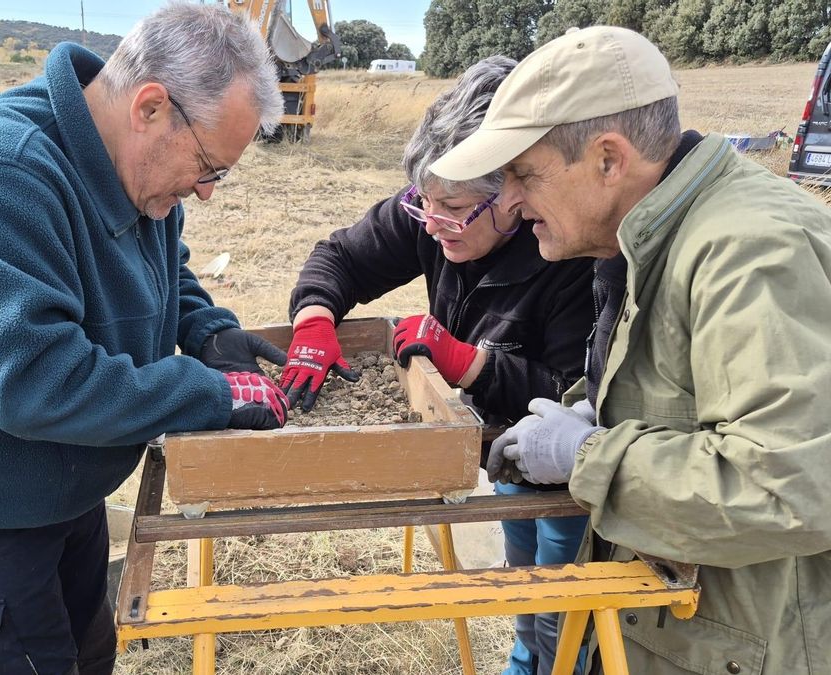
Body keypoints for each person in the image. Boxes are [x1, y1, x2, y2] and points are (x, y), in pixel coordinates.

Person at [0, 4, 289, 673]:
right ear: (151, 108)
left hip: (72, 472)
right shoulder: (1, 172)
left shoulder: (136, 168)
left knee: (90, 648)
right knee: (28, 660)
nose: (206, 192)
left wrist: (207, 331)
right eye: (210, 165)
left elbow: (164, 269)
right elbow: (32, 381)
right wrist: (202, 392)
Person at [433, 26, 831, 674]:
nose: (507, 200)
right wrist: (594, 409)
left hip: (740, 646)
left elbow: (786, 487)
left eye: (523, 174)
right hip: (670, 626)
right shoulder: (644, 233)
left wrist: (591, 455)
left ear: (608, 159)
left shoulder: (748, 251)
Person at [284, 56, 594, 675]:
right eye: (422, 204)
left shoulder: (570, 249)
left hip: (571, 461)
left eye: (449, 208)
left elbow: (575, 394)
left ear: (511, 195)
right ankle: (522, 657)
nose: (432, 224)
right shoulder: (435, 210)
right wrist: (314, 318)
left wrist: (468, 362)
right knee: (522, 575)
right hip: (503, 446)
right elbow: (341, 257)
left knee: (564, 595)